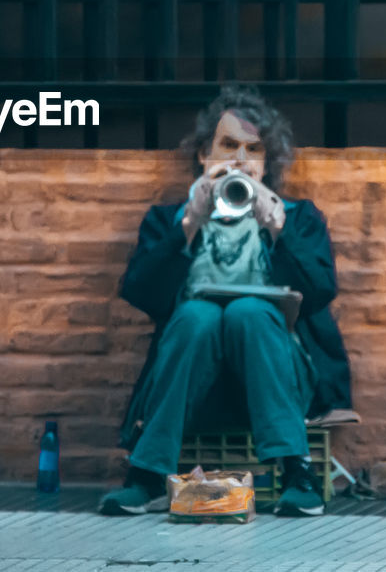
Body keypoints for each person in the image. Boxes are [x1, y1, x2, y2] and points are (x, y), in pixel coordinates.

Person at [101, 86, 356, 517]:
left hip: (277, 375)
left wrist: (280, 231)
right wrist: (189, 222)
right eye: (229, 146)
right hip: (193, 376)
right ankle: (146, 476)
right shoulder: (170, 218)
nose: (239, 160)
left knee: (250, 312)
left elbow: (319, 295)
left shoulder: (297, 217)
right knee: (198, 315)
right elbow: (141, 293)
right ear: (204, 154)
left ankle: (297, 471)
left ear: (264, 163)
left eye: (253, 150)